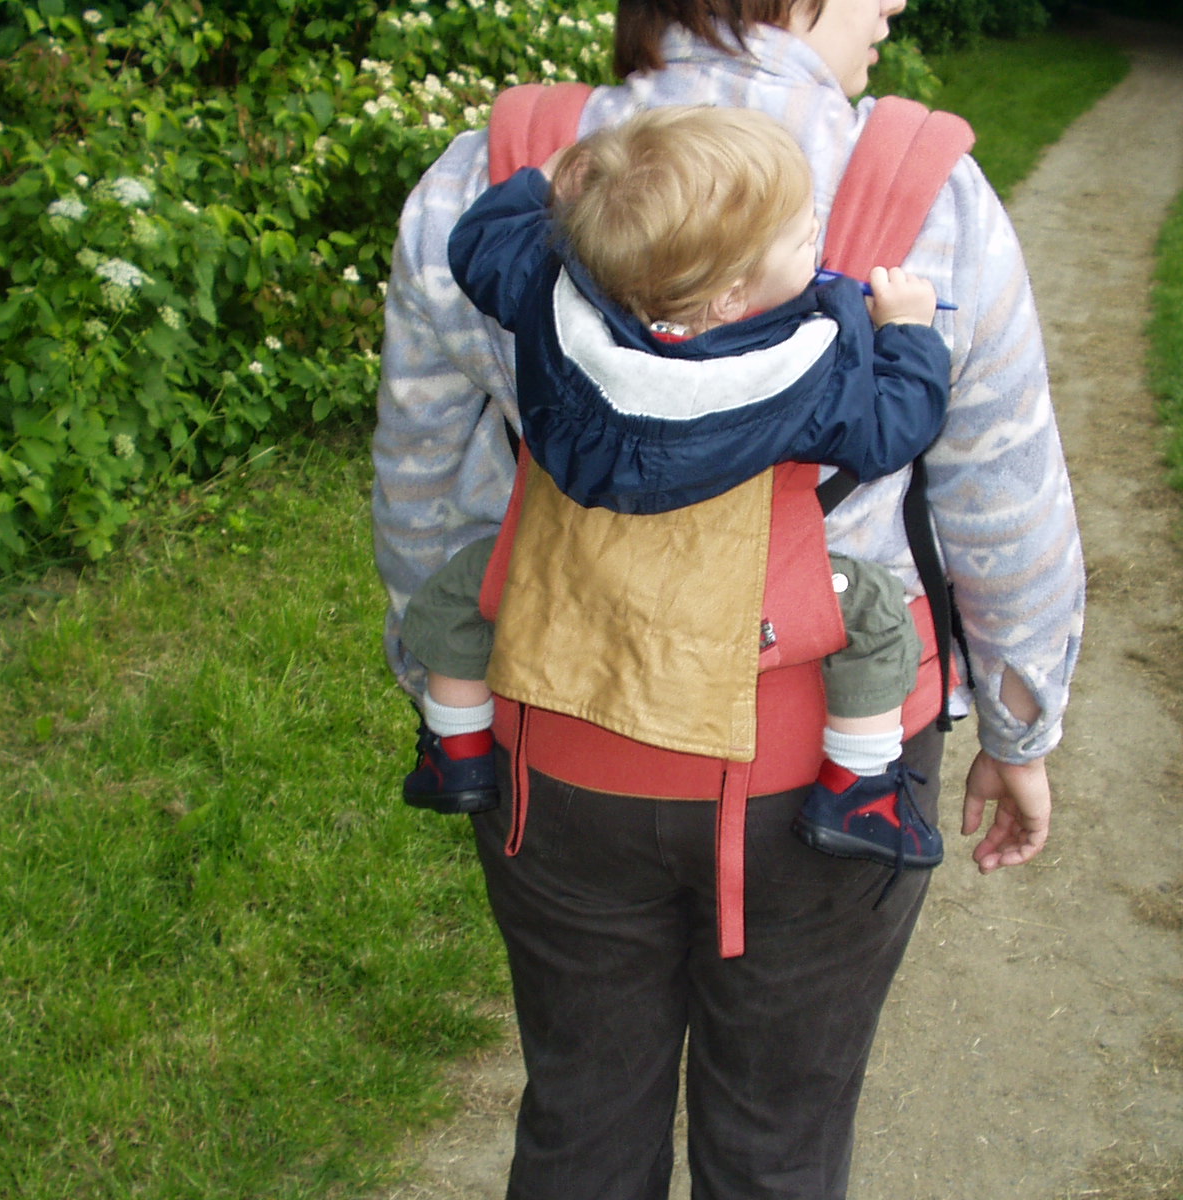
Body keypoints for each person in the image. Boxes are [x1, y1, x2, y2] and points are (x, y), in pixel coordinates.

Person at [371, 1, 1085, 1196]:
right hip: (824, 768)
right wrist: (1019, 728)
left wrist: (446, 686)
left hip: (563, 748)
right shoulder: (921, 189)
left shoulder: (496, 171)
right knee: (778, 1143)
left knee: (581, 1114)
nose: (896, 3)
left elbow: (423, 482)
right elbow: (1001, 504)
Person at [396, 104, 950, 872]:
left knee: (462, 592)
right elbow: (897, 427)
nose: (815, 238)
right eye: (800, 236)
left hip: (574, 573)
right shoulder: (796, 373)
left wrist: (553, 181)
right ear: (728, 299)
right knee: (878, 616)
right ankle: (859, 787)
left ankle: (455, 750)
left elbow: (478, 245)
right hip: (739, 595)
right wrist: (908, 332)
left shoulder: (552, 304)